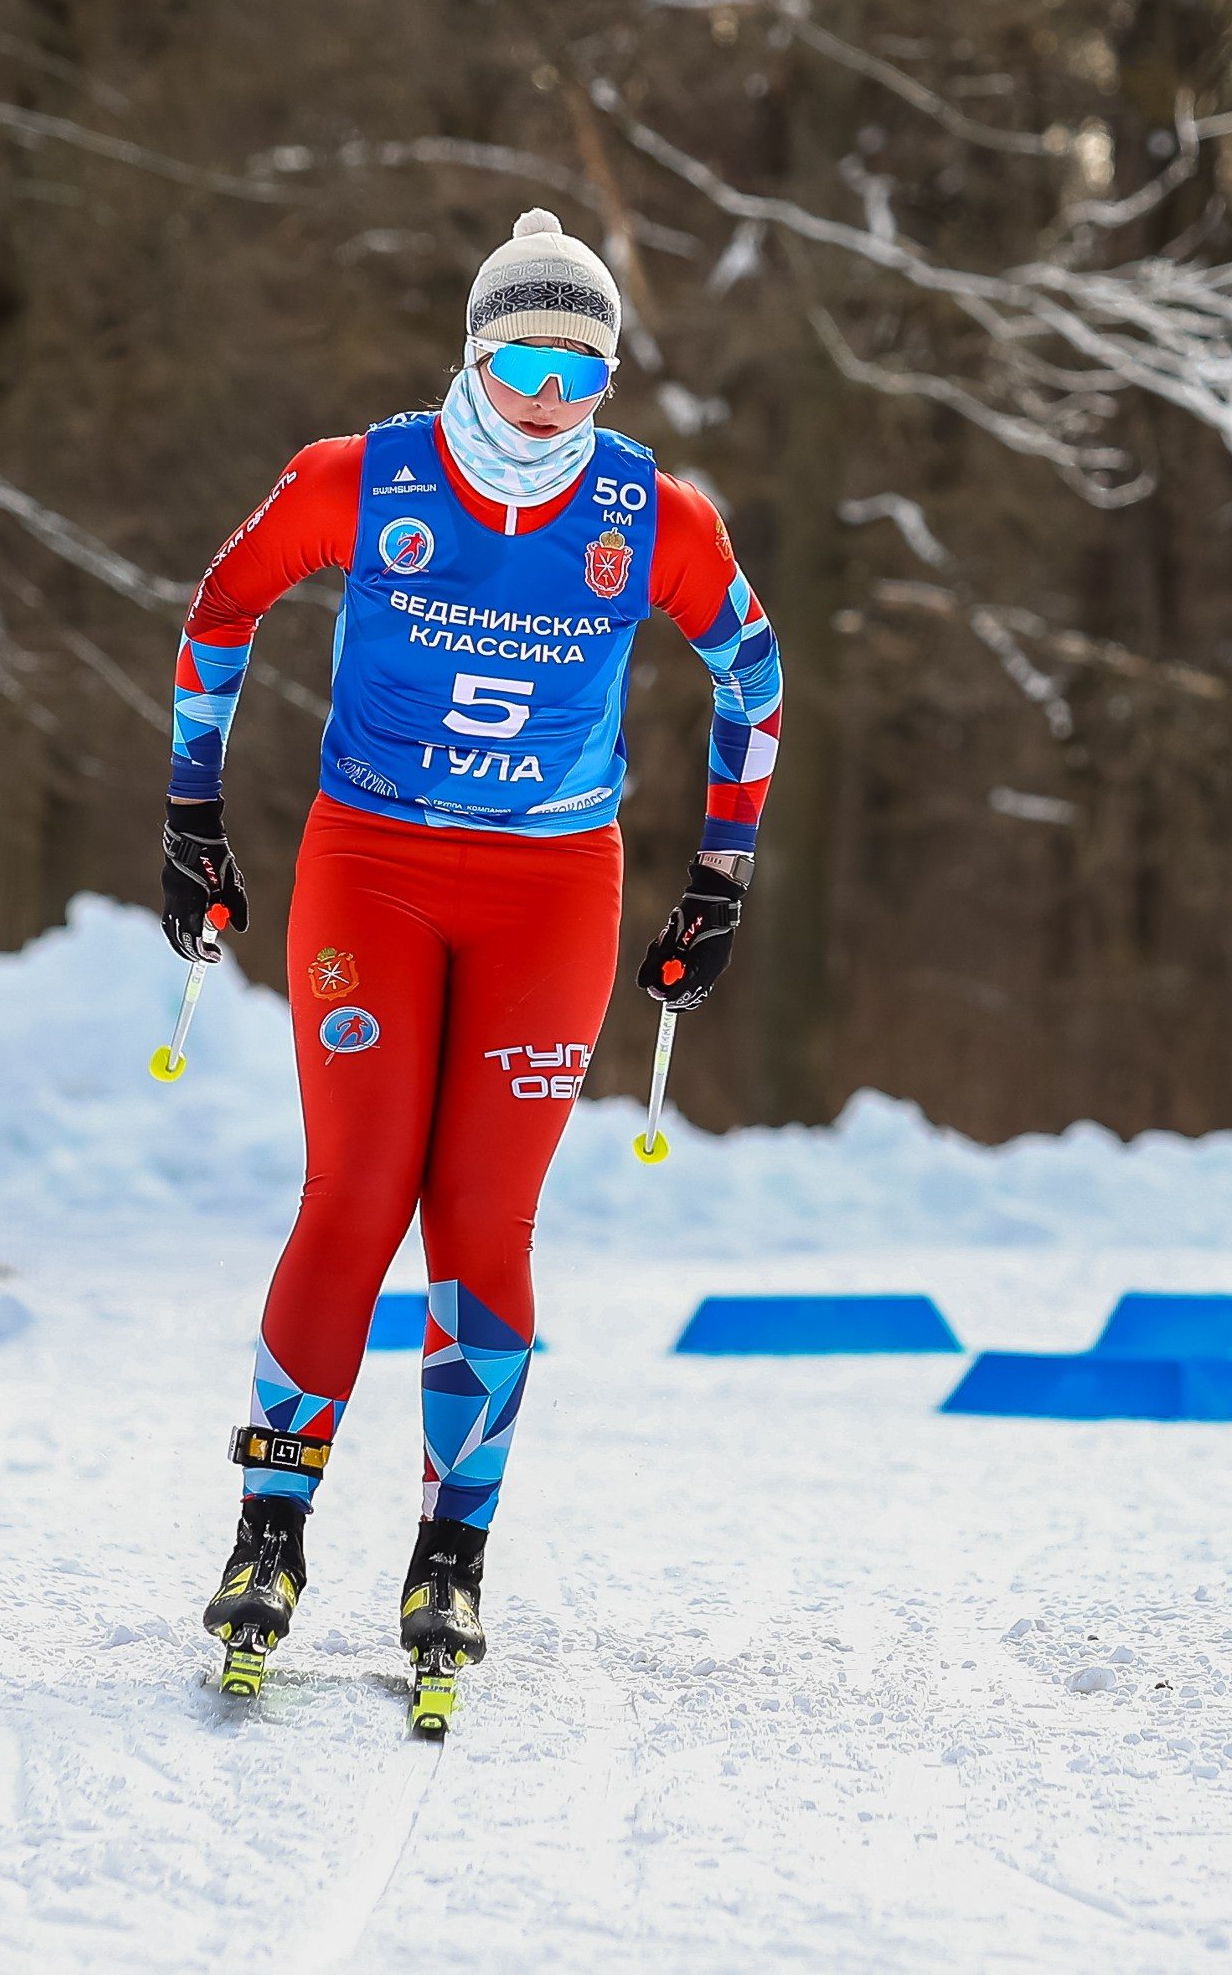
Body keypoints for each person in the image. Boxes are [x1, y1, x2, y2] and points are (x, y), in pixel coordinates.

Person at [161, 208, 783, 1719]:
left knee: (482, 1227)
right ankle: (268, 1540)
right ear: (473, 353)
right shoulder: (361, 481)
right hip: (370, 870)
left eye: (581, 369)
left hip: (552, 890)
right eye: (521, 360)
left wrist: (719, 876)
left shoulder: (655, 517)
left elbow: (752, 675)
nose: (547, 400)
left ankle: (451, 1560)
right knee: (357, 1197)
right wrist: (193, 816)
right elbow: (223, 611)